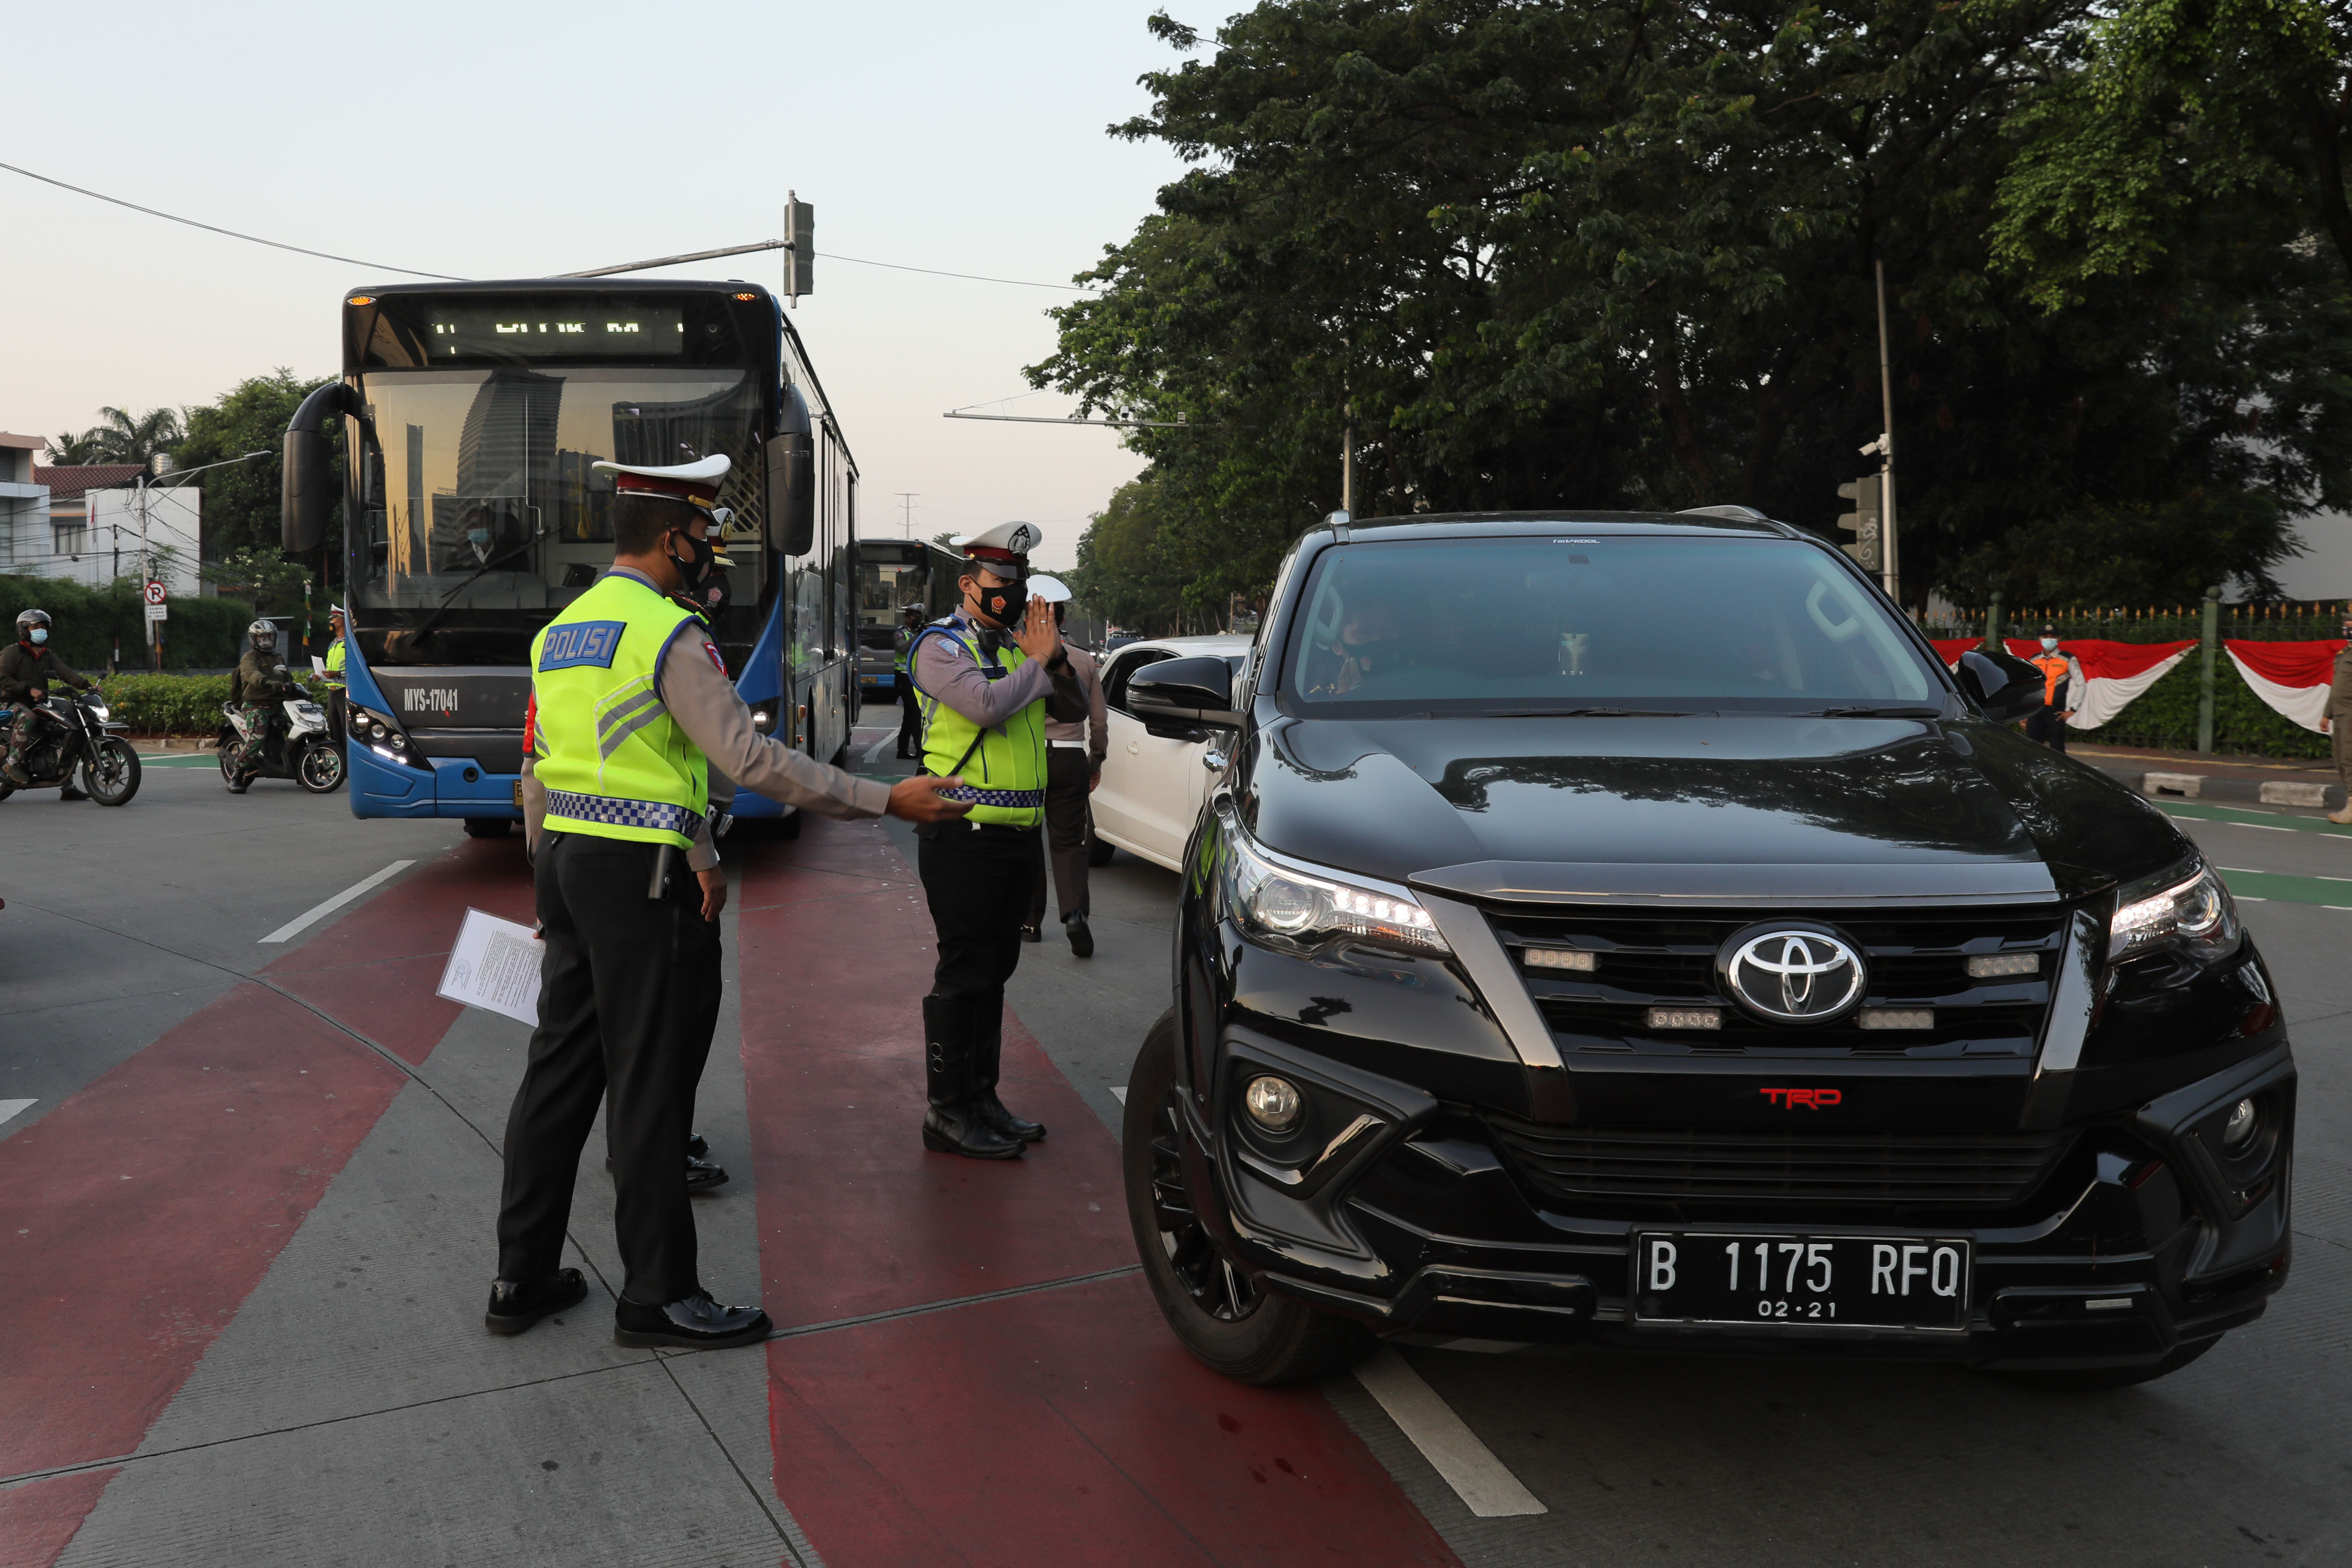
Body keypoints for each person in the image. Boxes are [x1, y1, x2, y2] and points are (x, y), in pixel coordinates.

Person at [490, 454, 968, 1349]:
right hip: (638, 877)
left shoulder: (564, 629)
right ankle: (658, 1295)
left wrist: (563, 868)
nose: (711, 552)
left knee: (558, 1073)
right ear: (671, 538)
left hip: (566, 859)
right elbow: (744, 761)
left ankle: (520, 1275)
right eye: (705, 535)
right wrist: (882, 799)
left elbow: (548, 767)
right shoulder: (670, 634)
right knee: (647, 1087)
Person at [906, 521, 1087, 1159]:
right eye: (998, 582)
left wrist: (1054, 656)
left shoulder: (1018, 646)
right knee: (964, 972)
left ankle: (981, 1099)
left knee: (996, 973)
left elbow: (1073, 709)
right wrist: (1035, 661)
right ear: (968, 583)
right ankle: (946, 1111)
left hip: (1016, 838)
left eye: (1017, 583)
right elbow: (982, 707)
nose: (1010, 593)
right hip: (961, 835)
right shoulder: (940, 646)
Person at [1021, 575, 1108, 956]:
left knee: (1028, 839)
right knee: (1069, 842)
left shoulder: (1016, 654)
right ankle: (1075, 914)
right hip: (1071, 755)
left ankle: (1029, 920)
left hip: (1028, 757)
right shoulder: (1085, 660)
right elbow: (1099, 721)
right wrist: (1096, 759)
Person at [1, 609, 93, 797]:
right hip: (10, 703)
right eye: (36, 627)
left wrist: (87, 686)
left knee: (68, 727)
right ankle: (13, 763)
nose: (41, 631)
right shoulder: (13, 652)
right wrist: (28, 690)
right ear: (24, 630)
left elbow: (65, 672)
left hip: (39, 702)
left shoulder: (46, 654)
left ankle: (67, 787)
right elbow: (3, 678)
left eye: (43, 627)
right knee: (27, 717)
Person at [226, 620, 301, 794]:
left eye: (269, 637)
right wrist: (268, 682)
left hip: (278, 703)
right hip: (256, 705)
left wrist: (295, 687)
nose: (266, 641)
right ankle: (237, 774)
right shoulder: (249, 658)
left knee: (301, 725)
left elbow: (287, 678)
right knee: (258, 737)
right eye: (262, 638)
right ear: (254, 639)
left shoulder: (278, 657)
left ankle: (299, 765)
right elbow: (253, 675)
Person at [2023, 625, 2084, 752]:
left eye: (2052, 637)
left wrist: (2073, 710)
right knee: (2032, 749)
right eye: (2045, 637)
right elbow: (2029, 687)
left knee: (2057, 750)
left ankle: (2061, 772)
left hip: (2055, 712)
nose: (2049, 639)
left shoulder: (2068, 659)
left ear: (2058, 639)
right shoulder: (2034, 660)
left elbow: (2082, 684)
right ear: (2040, 639)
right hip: (2035, 711)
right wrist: (2025, 712)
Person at [2323, 609, 2352, 825]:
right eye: (2346, 626)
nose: (2347, 629)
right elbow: (2336, 688)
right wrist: (2327, 715)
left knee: (2350, 759)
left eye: (2350, 626)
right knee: (2341, 759)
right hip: (2340, 715)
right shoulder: (2343, 655)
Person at [893, 605, 925, 759]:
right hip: (903, 677)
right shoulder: (901, 633)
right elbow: (902, 649)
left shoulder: (921, 633)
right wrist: (917, 635)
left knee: (909, 714)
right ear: (907, 618)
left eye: (919, 617)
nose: (917, 620)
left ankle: (902, 749)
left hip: (916, 677)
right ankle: (920, 750)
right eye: (914, 617)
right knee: (915, 712)